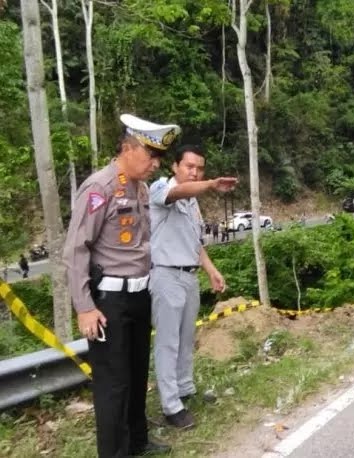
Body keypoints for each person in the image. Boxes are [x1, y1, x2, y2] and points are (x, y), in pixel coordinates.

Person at [63, 113, 179, 457]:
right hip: (109, 302)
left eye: (159, 158)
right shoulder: (99, 188)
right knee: (113, 384)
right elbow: (76, 249)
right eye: (150, 156)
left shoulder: (139, 188)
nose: (155, 164)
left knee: (136, 373)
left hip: (139, 296)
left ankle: (138, 441)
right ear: (128, 149)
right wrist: (85, 307)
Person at [149, 144, 237, 429]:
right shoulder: (160, 188)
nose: (194, 172)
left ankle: (185, 388)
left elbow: (194, 243)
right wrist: (210, 184)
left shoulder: (192, 203)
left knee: (187, 337)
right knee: (168, 342)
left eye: (200, 168)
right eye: (189, 166)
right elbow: (176, 193)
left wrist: (211, 270)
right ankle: (171, 406)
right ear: (175, 166)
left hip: (188, 276)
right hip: (166, 275)